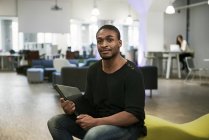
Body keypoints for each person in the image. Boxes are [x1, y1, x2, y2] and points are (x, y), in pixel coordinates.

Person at [47, 25, 147, 140]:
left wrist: (96, 122)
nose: (104, 44)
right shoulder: (94, 70)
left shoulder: (132, 72)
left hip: (128, 128)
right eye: (100, 41)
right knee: (55, 123)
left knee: (94, 134)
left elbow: (134, 115)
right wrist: (71, 109)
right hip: (99, 120)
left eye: (110, 40)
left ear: (119, 43)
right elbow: (89, 103)